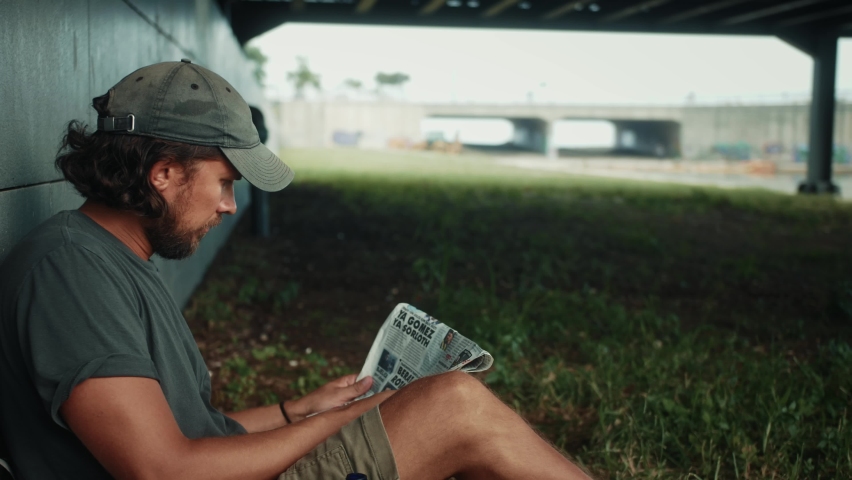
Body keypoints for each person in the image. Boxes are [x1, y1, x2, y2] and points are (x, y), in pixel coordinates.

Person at [0, 60, 592, 480]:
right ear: (163, 173)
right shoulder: (69, 273)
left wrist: (299, 412)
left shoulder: (107, 259)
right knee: (453, 406)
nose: (230, 205)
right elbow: (162, 468)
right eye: (226, 183)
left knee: (448, 409)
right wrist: (364, 416)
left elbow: (188, 429)